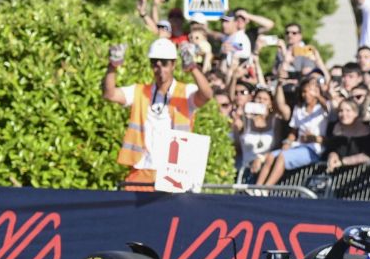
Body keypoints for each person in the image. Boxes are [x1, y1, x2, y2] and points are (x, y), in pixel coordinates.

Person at [102, 38, 213, 189]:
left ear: (173, 64)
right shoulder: (139, 91)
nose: (159, 67)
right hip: (143, 169)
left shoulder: (185, 92)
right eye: (155, 62)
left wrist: (192, 67)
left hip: (174, 172)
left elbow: (206, 95)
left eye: (164, 62)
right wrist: (112, 66)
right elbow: (110, 94)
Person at [255, 76, 329, 187]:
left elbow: (328, 107)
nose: (306, 95)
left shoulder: (322, 108)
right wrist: (288, 142)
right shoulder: (299, 109)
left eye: (309, 91)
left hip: (313, 150)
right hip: (297, 146)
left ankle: (266, 188)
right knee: (271, 156)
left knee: (282, 157)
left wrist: (318, 95)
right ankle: (257, 187)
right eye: (303, 92)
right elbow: (293, 132)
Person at [232, 88, 282, 180]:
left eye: (265, 99)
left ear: (270, 104)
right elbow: (237, 145)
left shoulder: (275, 121)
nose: (261, 101)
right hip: (246, 170)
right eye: (258, 98)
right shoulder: (245, 120)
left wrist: (261, 159)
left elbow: (277, 147)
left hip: (266, 170)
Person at [325, 99, 370, 173]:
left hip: (362, 174)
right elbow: (332, 149)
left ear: (356, 113)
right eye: (340, 111)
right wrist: (332, 156)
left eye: (348, 110)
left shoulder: (367, 131)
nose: (343, 114)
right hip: (338, 174)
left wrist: (343, 162)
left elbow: (368, 155)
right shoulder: (335, 129)